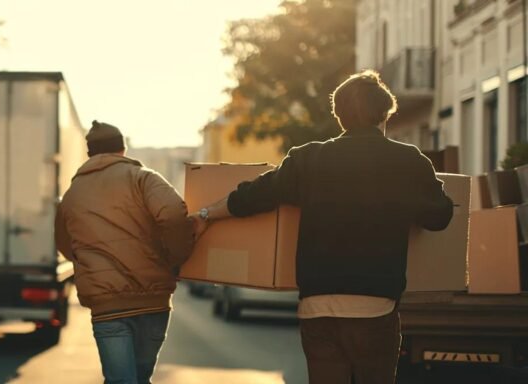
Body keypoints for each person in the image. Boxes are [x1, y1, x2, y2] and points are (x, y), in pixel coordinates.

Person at [191, 70, 454, 384]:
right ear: (385, 113)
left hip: (317, 308)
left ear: (339, 116)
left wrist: (205, 214)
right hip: (375, 307)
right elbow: (439, 218)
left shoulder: (308, 159)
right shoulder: (409, 161)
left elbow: (251, 197)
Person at [55, 121, 197, 384]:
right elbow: (174, 215)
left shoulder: (72, 195)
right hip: (154, 301)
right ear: (122, 149)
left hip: (108, 308)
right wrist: (176, 259)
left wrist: (91, 263)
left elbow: (66, 244)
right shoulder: (144, 179)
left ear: (90, 155)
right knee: (141, 379)